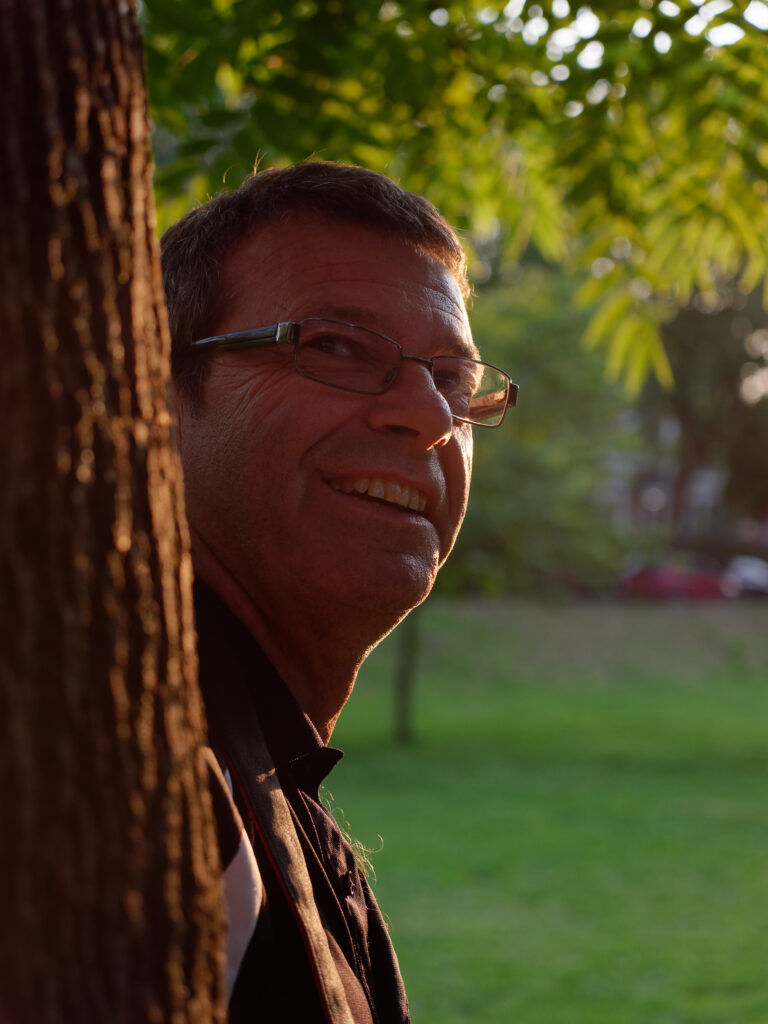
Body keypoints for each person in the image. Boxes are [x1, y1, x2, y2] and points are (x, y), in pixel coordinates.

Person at [161, 161, 518, 1023]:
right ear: (155, 393)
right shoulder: (137, 784)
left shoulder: (261, 775)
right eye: (334, 346)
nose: (430, 418)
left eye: (454, 382)